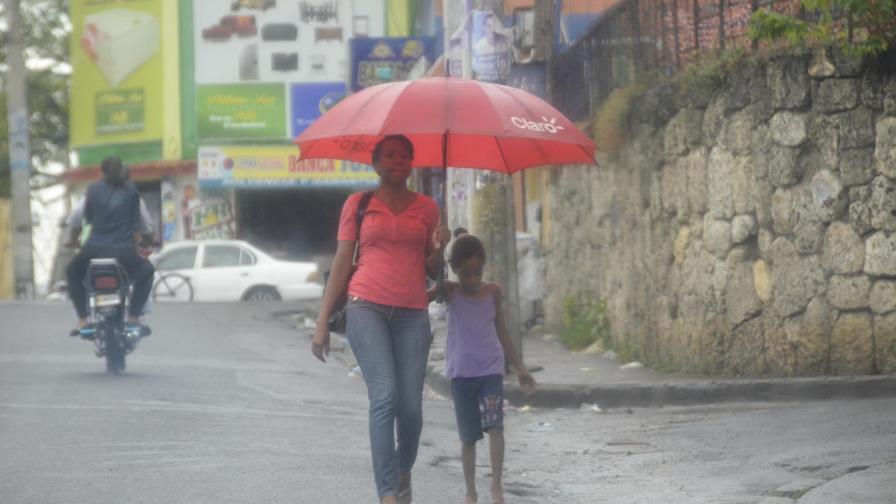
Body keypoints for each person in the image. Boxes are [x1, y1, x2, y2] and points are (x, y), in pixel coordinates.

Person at [312, 135, 451, 504]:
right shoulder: (358, 204)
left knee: (411, 409)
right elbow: (342, 262)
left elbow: (431, 269)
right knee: (385, 396)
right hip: (366, 307)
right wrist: (322, 321)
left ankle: (403, 470)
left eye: (405, 156)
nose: (398, 161)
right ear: (375, 164)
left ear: (412, 164)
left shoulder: (428, 208)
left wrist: (440, 248)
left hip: (412, 313)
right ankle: (387, 493)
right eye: (390, 155)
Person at [427, 233, 536, 504]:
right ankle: (470, 491)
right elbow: (425, 293)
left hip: (490, 371)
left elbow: (503, 331)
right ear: (455, 270)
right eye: (466, 274)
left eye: (477, 273)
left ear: (484, 267)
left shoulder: (493, 292)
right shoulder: (450, 292)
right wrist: (439, 249)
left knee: (495, 427)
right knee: (468, 438)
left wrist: (520, 368)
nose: (473, 279)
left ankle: (496, 487)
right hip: (461, 375)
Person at [65, 156, 155, 336]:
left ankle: (83, 319)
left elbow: (86, 218)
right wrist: (142, 244)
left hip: (92, 251)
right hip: (124, 253)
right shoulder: (131, 190)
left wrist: (76, 241)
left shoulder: (92, 189)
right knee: (147, 271)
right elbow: (138, 227)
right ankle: (134, 317)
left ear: (101, 172)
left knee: (71, 272)